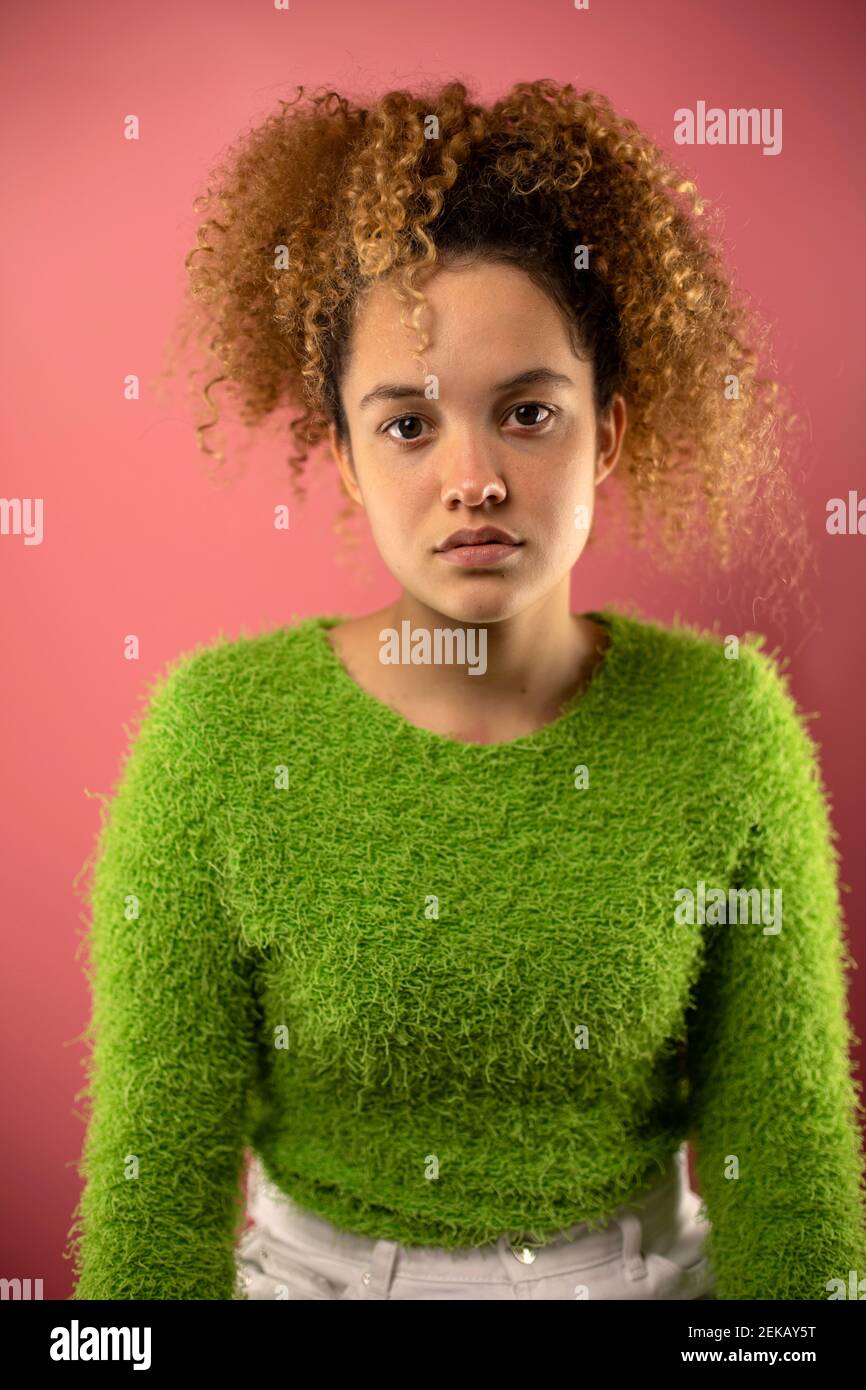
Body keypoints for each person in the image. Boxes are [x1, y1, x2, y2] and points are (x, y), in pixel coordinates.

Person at [66, 78, 866, 1301]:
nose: (474, 477)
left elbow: (787, 1172)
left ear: (605, 433)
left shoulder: (724, 724)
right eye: (406, 425)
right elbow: (153, 1193)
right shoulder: (215, 735)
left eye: (528, 413)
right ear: (338, 447)